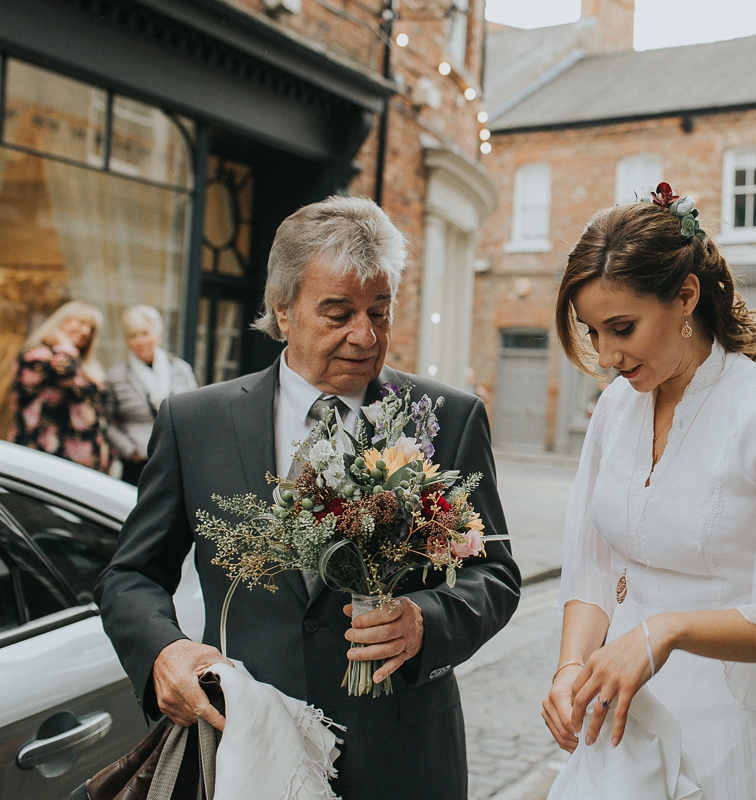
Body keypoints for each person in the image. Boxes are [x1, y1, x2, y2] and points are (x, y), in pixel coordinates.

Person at [94, 196, 521, 799]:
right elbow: (129, 576)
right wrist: (163, 650)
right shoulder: (195, 422)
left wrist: (425, 622)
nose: (364, 335)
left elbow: (494, 574)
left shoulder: (448, 418)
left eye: (380, 310)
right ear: (283, 310)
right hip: (248, 748)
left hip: (401, 759)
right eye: (337, 312)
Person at [541, 185, 756, 799]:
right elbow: (596, 566)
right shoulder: (613, 411)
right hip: (618, 726)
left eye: (621, 328)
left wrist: (667, 631)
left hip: (729, 733)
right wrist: (571, 667)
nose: (605, 355)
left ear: (686, 297)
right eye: (592, 331)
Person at [8, 300, 112, 472]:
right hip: (43, 460)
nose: (86, 331)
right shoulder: (37, 356)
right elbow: (66, 370)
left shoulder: (86, 366)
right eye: (81, 322)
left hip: (82, 466)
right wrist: (64, 343)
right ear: (62, 320)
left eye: (91, 328)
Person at [106, 305, 198, 486]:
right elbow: (106, 422)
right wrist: (129, 450)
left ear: (158, 335)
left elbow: (195, 413)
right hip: (138, 463)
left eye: (145, 333)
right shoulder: (116, 376)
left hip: (175, 459)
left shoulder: (180, 369)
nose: (139, 340)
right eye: (132, 335)